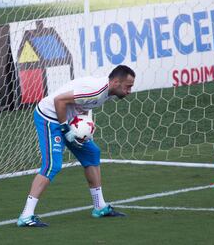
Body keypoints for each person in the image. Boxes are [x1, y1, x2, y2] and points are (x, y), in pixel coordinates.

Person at [17, 65, 136, 227]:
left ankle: (99, 206)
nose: (130, 91)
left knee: (92, 153)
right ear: (116, 82)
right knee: (52, 165)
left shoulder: (109, 92)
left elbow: (85, 106)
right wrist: (66, 129)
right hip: (49, 118)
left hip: (68, 119)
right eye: (128, 86)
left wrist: (81, 130)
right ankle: (26, 215)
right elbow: (59, 101)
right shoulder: (96, 91)